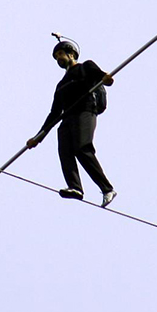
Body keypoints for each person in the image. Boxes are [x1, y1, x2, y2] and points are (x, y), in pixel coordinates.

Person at [26, 38, 117, 207]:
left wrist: (107, 79)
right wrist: (38, 137)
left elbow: (101, 76)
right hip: (67, 119)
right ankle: (75, 187)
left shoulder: (85, 67)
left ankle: (107, 189)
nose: (58, 58)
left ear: (71, 53)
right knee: (65, 151)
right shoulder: (61, 85)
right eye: (56, 57)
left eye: (60, 54)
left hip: (85, 111)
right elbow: (54, 113)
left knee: (82, 148)